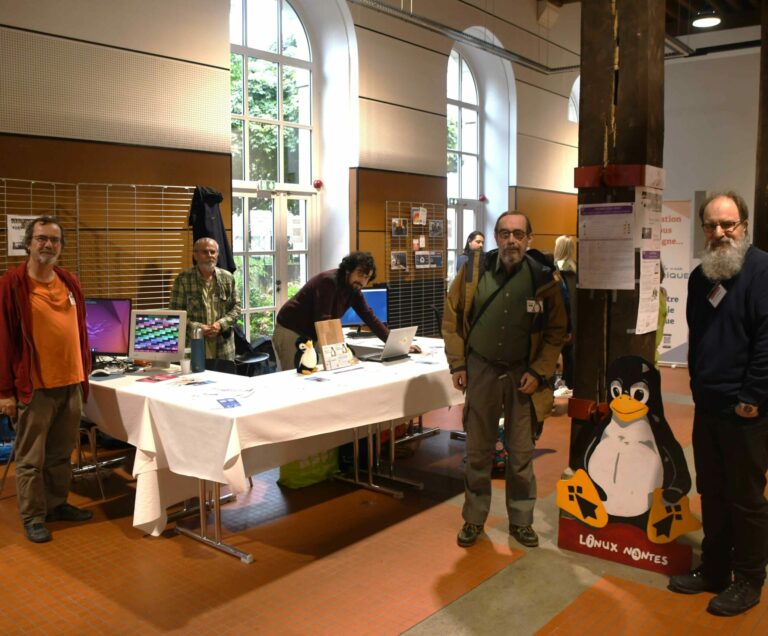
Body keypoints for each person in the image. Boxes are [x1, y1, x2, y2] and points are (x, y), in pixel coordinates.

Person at [668, 191, 768, 617]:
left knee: (746, 497)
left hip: (746, 411)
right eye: (711, 225)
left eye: (728, 224)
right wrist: (695, 384)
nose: (720, 232)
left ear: (743, 226)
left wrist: (752, 396)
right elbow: (698, 336)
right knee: (711, 491)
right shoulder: (700, 277)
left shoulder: (762, 270)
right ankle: (715, 568)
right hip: (708, 405)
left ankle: (748, 579)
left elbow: (767, 340)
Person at [443, 211, 567, 549]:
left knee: (522, 452)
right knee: (478, 451)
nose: (511, 240)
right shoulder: (472, 272)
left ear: (529, 238)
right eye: (504, 233)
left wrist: (540, 372)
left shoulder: (544, 278)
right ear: (496, 237)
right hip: (481, 370)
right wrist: (458, 364)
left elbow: (557, 332)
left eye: (518, 234)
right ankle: (473, 519)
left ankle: (522, 521)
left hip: (523, 375)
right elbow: (452, 318)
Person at [0, 215, 93, 543]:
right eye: (41, 238)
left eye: (54, 240)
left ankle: (56, 504)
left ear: (61, 247)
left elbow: (80, 331)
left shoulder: (69, 281)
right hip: (34, 388)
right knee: (30, 458)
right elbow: (4, 340)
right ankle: (33, 516)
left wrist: (86, 372)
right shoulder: (12, 284)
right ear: (28, 243)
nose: (48, 245)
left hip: (70, 384)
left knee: (59, 454)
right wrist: (5, 392)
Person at [273, 252, 416, 370]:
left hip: (312, 333)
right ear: (348, 270)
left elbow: (369, 317)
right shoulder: (328, 282)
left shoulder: (354, 289)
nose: (363, 281)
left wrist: (395, 344)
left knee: (316, 374)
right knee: (296, 375)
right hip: (290, 330)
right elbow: (324, 319)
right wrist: (340, 352)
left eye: (366, 277)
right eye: (360, 274)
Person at [170, 237, 241, 362]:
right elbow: (175, 314)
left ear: (217, 255)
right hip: (193, 349)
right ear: (195, 255)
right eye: (204, 252)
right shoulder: (183, 279)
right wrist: (198, 328)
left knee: (225, 381)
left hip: (223, 350)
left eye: (213, 252)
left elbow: (236, 308)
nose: (210, 255)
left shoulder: (227, 278)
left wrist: (220, 324)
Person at [553, 235, 576, 392]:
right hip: (574, 322)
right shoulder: (577, 270)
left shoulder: (554, 272)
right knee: (571, 358)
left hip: (557, 322)